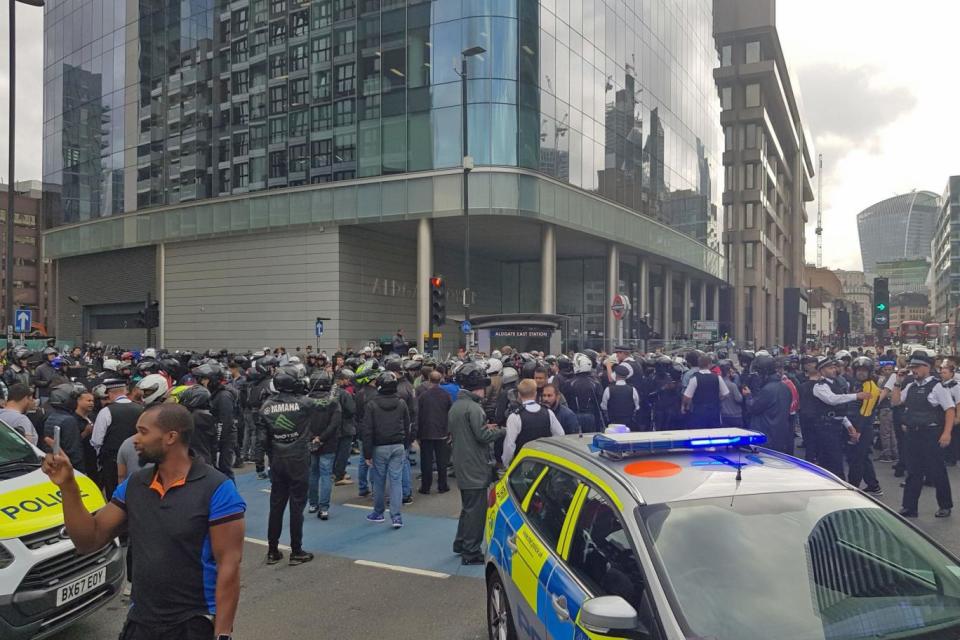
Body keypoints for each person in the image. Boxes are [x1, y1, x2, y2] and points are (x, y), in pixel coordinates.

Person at [41, 403, 245, 640]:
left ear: (171, 437)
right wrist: (68, 486)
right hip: (142, 621)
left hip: (193, 623)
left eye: (143, 432)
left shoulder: (217, 489)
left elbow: (229, 567)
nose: (135, 439)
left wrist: (222, 634)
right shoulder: (135, 484)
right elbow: (89, 540)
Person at [257, 368, 320, 565]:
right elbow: (327, 402)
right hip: (298, 459)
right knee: (296, 506)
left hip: (277, 459)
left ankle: (272, 550)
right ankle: (296, 550)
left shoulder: (265, 407)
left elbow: (262, 440)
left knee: (276, 506)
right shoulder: (304, 403)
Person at [448, 362, 504, 565]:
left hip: (463, 464)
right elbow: (482, 436)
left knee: (468, 508)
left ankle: (461, 542)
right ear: (477, 386)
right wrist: (501, 431)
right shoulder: (474, 408)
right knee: (476, 512)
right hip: (475, 466)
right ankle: (471, 551)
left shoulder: (457, 406)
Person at [892, 352, 955, 518]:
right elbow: (896, 402)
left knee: (937, 470)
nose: (913, 370)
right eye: (912, 367)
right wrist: (897, 382)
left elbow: (949, 410)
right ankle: (909, 507)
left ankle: (945, 505)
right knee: (913, 471)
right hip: (913, 434)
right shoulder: (911, 386)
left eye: (916, 367)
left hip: (931, 433)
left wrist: (947, 433)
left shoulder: (937, 386)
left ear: (927, 367)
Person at [361, 371, 412, 529]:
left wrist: (367, 453)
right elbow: (407, 425)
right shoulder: (401, 403)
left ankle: (378, 512)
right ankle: (396, 516)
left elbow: (367, 430)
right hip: (397, 445)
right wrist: (405, 443)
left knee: (379, 480)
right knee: (396, 481)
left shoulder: (372, 404)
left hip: (379, 446)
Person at [810, 358, 869, 478]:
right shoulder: (820, 386)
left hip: (837, 426)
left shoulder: (836, 384)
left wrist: (849, 426)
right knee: (833, 460)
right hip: (825, 427)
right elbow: (832, 400)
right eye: (830, 368)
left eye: (834, 367)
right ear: (821, 371)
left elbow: (839, 409)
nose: (834, 370)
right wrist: (855, 396)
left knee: (834, 459)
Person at [92, 379, 144, 501]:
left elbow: (96, 440)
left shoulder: (106, 411)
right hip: (138, 456)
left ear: (109, 393)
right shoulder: (141, 409)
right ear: (125, 392)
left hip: (112, 460)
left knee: (115, 493)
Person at [502, 379, 565, 468]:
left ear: (519, 395)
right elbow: (560, 435)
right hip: (544, 462)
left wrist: (507, 463)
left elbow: (509, 445)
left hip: (523, 464)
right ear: (535, 393)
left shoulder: (515, 417)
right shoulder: (548, 412)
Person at [305, 371, 342, 521]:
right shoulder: (333, 401)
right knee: (326, 475)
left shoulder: (306, 401)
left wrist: (312, 437)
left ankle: (313, 504)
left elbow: (302, 422)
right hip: (328, 442)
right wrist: (322, 437)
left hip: (311, 442)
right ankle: (324, 508)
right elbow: (335, 422)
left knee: (313, 473)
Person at [845, 357, 883, 496]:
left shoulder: (871, 387)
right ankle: (873, 485)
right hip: (856, 426)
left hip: (862, 428)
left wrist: (857, 431)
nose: (861, 373)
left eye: (864, 370)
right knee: (863, 457)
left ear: (869, 372)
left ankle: (852, 489)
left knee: (856, 460)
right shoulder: (856, 384)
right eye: (858, 370)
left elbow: (866, 412)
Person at [743, 355, 794, 454]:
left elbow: (753, 408)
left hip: (767, 435)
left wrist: (748, 396)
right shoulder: (784, 387)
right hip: (780, 435)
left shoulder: (768, 390)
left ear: (763, 373)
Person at [416, 370, 452, 494]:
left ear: (429, 380)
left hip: (426, 432)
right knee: (442, 461)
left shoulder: (423, 396)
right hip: (442, 431)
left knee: (426, 461)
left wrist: (417, 433)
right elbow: (450, 413)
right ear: (440, 380)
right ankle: (443, 485)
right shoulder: (446, 395)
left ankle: (425, 487)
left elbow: (418, 415)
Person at [43, 384, 86, 472]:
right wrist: (82, 471)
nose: (76, 402)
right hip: (70, 468)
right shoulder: (68, 420)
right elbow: (74, 451)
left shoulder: (50, 417)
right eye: (74, 399)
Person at [682, 354, 728, 428]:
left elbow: (687, 397)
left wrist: (685, 405)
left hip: (699, 412)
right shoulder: (717, 377)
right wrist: (718, 400)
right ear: (710, 364)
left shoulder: (695, 378)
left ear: (699, 364)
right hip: (714, 411)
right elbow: (726, 394)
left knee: (700, 434)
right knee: (714, 433)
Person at [601, 364, 640, 430]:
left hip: (613, 423)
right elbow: (637, 407)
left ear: (615, 375)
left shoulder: (608, 389)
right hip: (628, 423)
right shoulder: (632, 389)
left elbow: (604, 407)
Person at [718, 360, 743, 427]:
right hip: (735, 414)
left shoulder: (718, 384)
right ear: (728, 373)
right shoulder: (732, 385)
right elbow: (739, 399)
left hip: (723, 414)